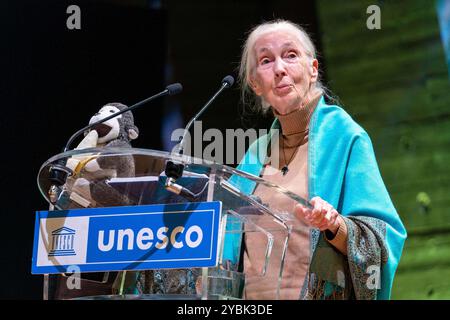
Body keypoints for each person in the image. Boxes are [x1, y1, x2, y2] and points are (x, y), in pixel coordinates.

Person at [224, 19, 407, 300]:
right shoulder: (253, 156)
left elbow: (383, 240)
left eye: (291, 55)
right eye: (265, 61)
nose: (280, 69)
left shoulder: (347, 137)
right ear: (255, 83)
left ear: (312, 69)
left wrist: (335, 225)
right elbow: (224, 238)